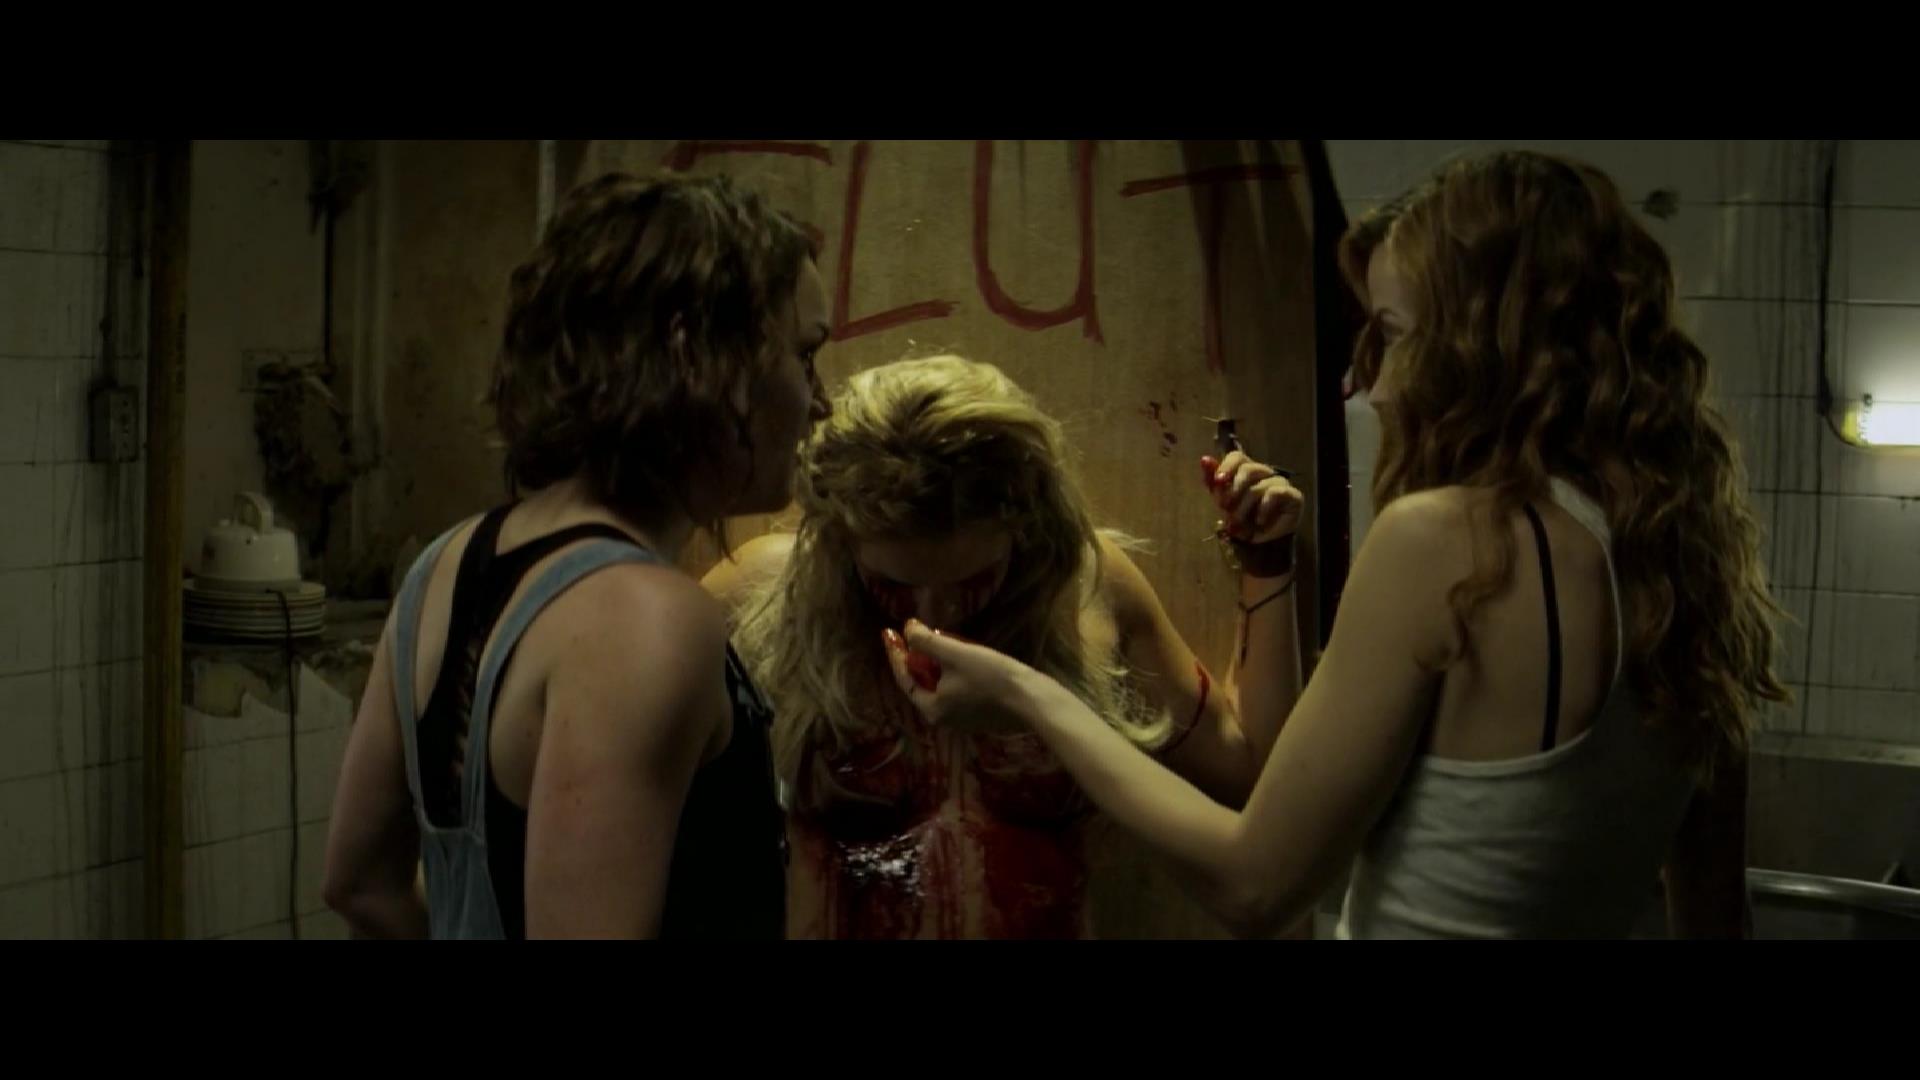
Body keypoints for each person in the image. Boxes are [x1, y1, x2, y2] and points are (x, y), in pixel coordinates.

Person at [886, 150, 1782, 939]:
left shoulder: (1450, 543)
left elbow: (1254, 889)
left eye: (1392, 335)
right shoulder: (1680, 557)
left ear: (1486, 348)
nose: (1373, 387)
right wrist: (1266, 567)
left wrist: (1032, 696)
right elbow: (1715, 916)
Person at [322, 172, 831, 938]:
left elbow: (362, 885)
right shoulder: (646, 621)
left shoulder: (445, 565)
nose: (820, 401)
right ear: (702, 358)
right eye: (805, 354)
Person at [703, 352, 1304, 938]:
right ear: (841, 543)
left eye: (971, 581)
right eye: (894, 585)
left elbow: (1247, 776)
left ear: (1026, 530)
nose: (932, 617)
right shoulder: (761, 597)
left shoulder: (1087, 594)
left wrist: (1266, 562)